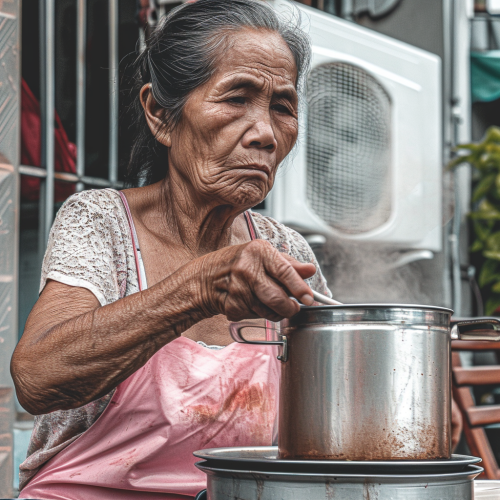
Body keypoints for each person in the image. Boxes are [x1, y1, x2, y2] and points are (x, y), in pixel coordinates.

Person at [12, 1, 330, 498]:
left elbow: (329, 416)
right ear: (161, 114)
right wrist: (198, 288)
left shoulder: (282, 248)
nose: (265, 134)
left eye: (283, 107)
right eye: (236, 98)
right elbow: (37, 378)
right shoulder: (101, 221)